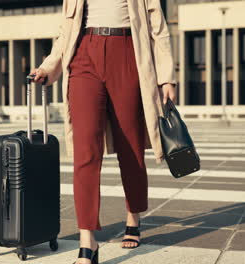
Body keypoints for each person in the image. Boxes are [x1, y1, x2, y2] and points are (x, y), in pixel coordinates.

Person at [30, 0, 177, 263]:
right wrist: (48, 67)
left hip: (128, 53)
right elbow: (66, 30)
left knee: (130, 146)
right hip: (84, 56)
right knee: (85, 152)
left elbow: (158, 27)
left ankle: (133, 215)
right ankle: (88, 242)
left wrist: (166, 77)